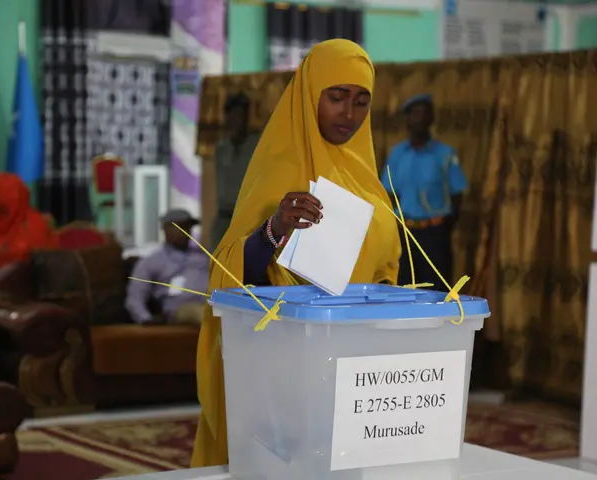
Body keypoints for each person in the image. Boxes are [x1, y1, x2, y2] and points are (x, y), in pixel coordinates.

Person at [191, 39, 401, 467]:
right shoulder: (280, 168)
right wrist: (275, 228)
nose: (349, 113)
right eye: (337, 97)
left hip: (355, 359)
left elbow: (384, 272)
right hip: (286, 360)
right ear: (310, 95)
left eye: (362, 101)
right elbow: (228, 276)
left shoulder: (365, 176)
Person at [381, 94, 468, 291]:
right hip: (404, 234)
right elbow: (387, 191)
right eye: (415, 113)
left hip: (434, 234)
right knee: (403, 290)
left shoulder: (445, 155)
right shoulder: (397, 154)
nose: (420, 118)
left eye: (425, 113)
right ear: (408, 119)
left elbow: (457, 194)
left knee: (436, 292)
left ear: (432, 119)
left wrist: (444, 227)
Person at [125, 209, 209, 325]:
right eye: (181, 227)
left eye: (188, 227)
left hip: (215, 302)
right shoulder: (152, 261)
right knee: (206, 314)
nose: (186, 231)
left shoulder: (204, 256)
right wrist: (146, 319)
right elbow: (135, 297)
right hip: (183, 308)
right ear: (166, 229)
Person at [210, 92, 261, 250]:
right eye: (232, 115)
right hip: (224, 218)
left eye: (240, 115)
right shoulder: (222, 147)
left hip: (248, 219)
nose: (236, 120)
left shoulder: (257, 145)